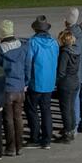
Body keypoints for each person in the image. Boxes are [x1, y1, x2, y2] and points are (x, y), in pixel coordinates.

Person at [25, 15, 58, 149]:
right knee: (46, 110)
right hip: (49, 82)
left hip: (35, 81)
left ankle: (35, 136)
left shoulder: (32, 42)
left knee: (32, 109)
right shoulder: (54, 42)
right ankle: (47, 138)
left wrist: (26, 81)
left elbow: (28, 63)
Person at [0, 20, 27, 157]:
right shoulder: (22, 46)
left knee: (8, 119)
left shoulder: (0, 49)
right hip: (20, 87)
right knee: (18, 118)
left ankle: (11, 147)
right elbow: (28, 66)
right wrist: (25, 82)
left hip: (7, 88)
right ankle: (20, 146)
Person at [55, 29, 79, 143]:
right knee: (71, 107)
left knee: (65, 109)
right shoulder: (75, 51)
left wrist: (57, 81)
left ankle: (68, 132)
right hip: (75, 81)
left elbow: (61, 71)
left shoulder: (64, 53)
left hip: (66, 83)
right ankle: (71, 129)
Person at [62, 8, 82, 131]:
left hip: (71, 74)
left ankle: (72, 127)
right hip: (78, 71)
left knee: (71, 103)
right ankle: (74, 123)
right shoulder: (79, 31)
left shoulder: (70, 35)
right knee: (75, 100)